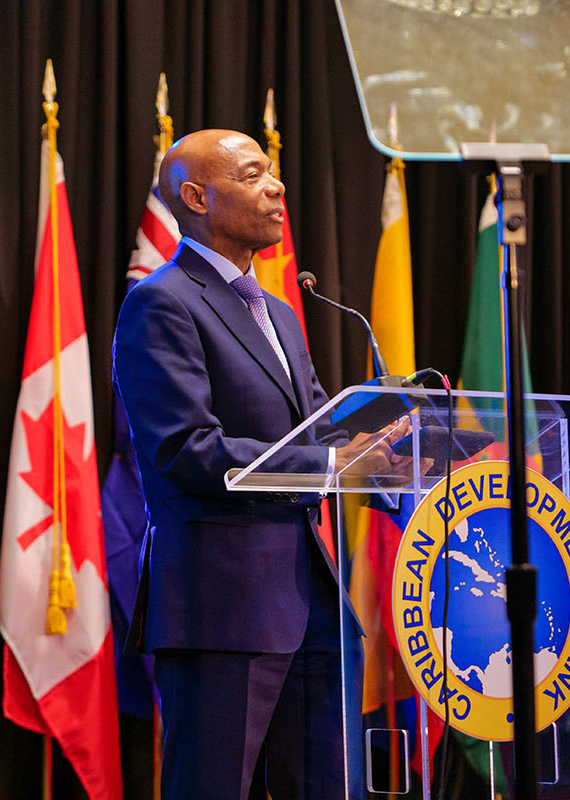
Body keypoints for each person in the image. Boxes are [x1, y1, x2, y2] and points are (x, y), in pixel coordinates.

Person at [113, 129, 406, 799]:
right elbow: (186, 451)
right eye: (252, 176)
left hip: (313, 605)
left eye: (272, 173)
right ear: (196, 196)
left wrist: (393, 450)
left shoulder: (278, 310)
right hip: (223, 608)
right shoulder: (163, 302)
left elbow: (312, 430)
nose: (276, 187)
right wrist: (333, 459)